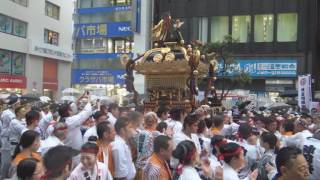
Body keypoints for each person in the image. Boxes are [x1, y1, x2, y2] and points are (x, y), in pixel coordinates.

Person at [135, 112, 161, 179]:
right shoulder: (156, 134)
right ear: (155, 122)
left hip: (138, 168)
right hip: (149, 168)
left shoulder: (139, 133)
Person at [1, 94, 20, 178]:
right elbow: (15, 125)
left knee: (10, 161)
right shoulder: (8, 114)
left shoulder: (12, 112)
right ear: (14, 104)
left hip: (12, 140)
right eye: (18, 103)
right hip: (7, 140)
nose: (20, 105)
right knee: (6, 162)